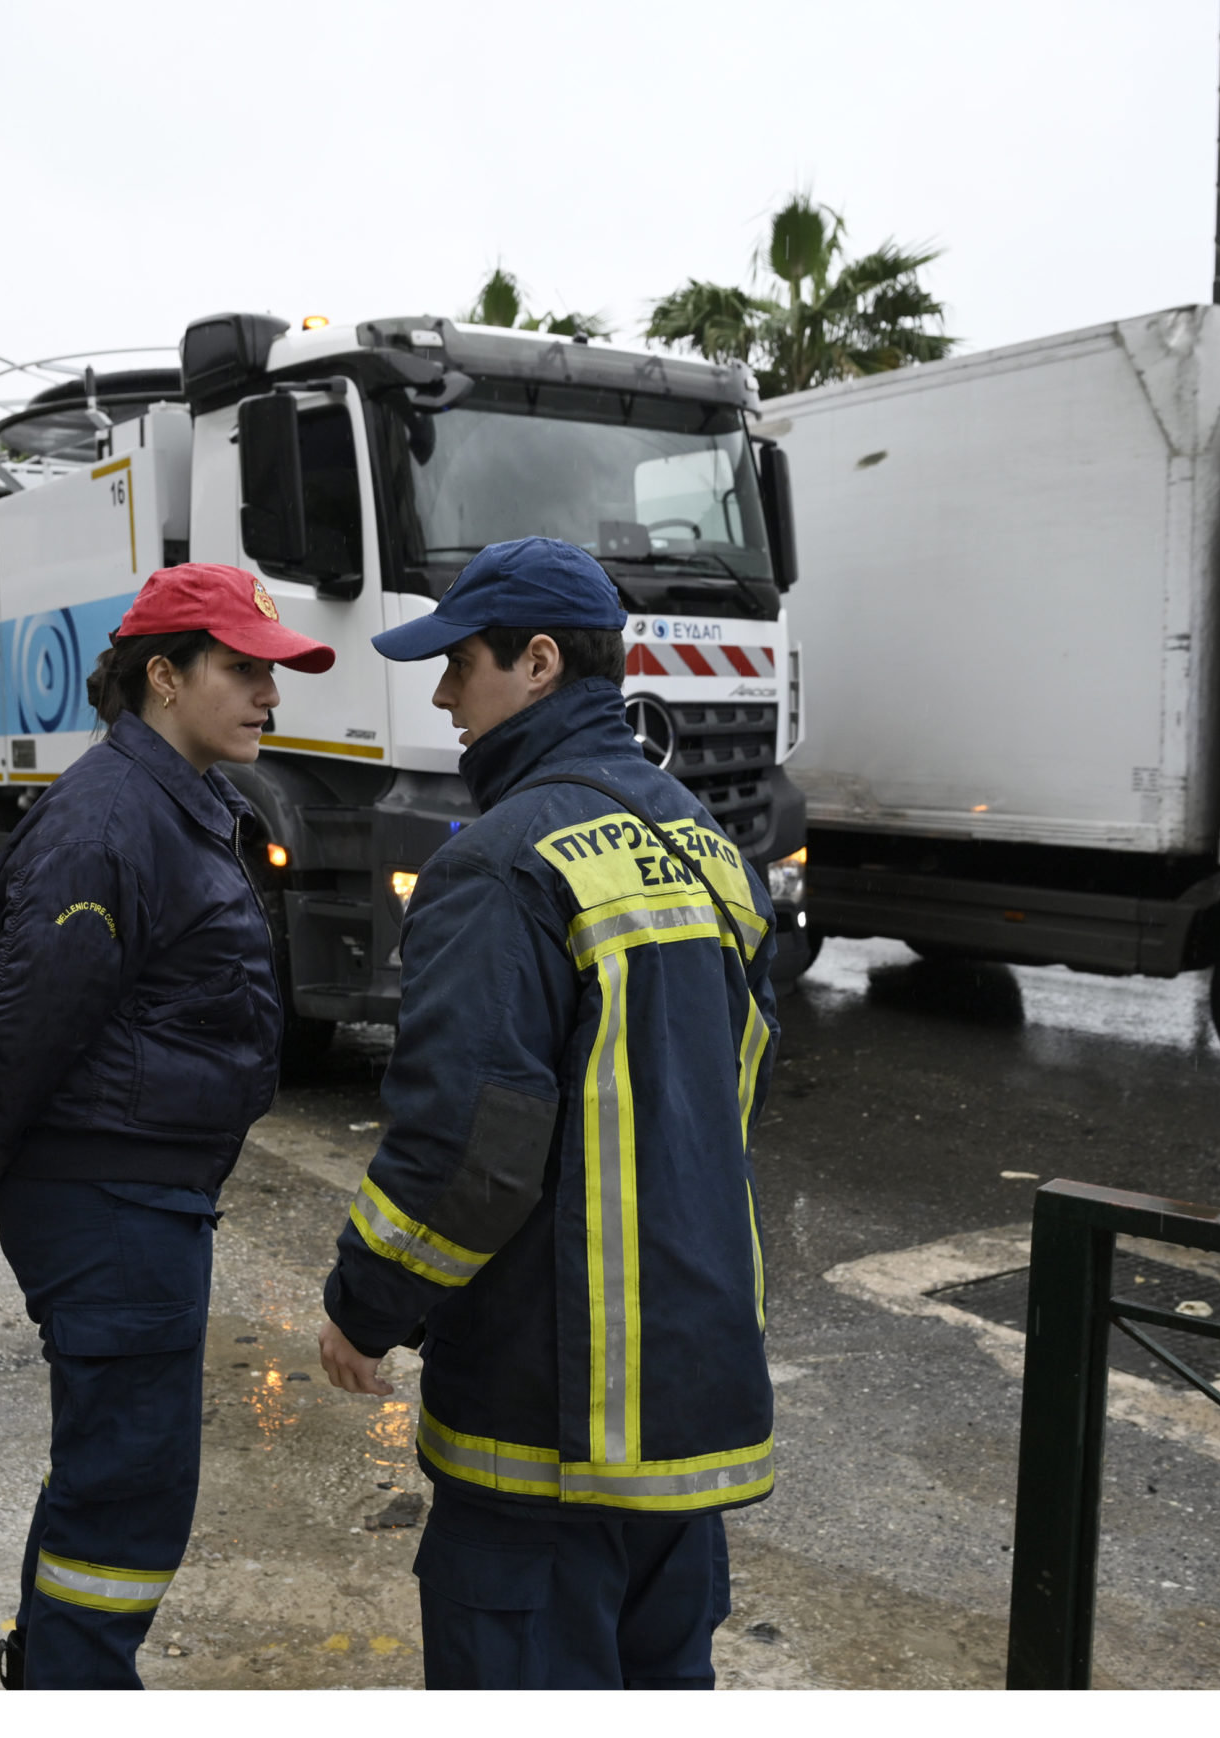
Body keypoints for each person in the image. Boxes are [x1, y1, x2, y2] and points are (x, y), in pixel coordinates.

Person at [315, 536, 780, 1690]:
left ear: (533, 663)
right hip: (686, 1414)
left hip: (543, 1429)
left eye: (457, 665)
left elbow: (469, 1150)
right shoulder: (706, 844)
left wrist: (362, 1307)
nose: (439, 693)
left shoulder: (499, 864)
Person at [0, 563, 334, 1690]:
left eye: (269, 672)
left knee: (118, 1472)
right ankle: (76, 1683)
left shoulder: (167, 802)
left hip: (141, 1197)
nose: (267, 694)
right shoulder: (111, 816)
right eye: (242, 669)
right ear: (163, 675)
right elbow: (17, 1017)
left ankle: (61, 1669)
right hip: (111, 1202)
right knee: (128, 1488)